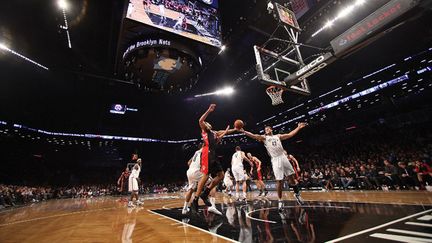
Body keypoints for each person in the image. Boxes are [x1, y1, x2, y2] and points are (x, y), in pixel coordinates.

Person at [241, 122, 307, 210]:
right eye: (265, 130)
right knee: (279, 181)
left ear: (271, 129)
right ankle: (280, 201)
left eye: (268, 129)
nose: (266, 130)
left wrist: (298, 127)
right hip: (275, 159)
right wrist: (244, 132)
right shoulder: (265, 138)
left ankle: (297, 194)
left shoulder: (278, 136)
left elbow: (289, 135)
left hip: (283, 157)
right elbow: (254, 135)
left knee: (292, 177)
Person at [191, 104, 237, 213]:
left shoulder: (214, 133)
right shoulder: (205, 130)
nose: (207, 123)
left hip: (214, 154)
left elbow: (222, 134)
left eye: (208, 123)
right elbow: (200, 120)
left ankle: (205, 192)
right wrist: (209, 110)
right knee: (206, 175)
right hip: (207, 153)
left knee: (220, 175)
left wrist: (234, 129)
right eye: (207, 123)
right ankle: (196, 199)